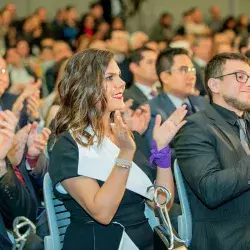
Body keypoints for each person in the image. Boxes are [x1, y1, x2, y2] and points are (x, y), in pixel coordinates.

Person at [49, 49, 187, 250]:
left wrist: (162, 150)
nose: (122, 84)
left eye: (119, 77)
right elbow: (102, 213)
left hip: (146, 241)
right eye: (110, 77)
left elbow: (162, 203)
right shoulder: (68, 146)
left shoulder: (126, 136)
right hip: (102, 242)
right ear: (86, 86)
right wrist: (124, 154)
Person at [174, 53, 250, 250]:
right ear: (215, 85)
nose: (248, 83)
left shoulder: (247, 122)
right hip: (229, 238)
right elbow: (210, 189)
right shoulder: (195, 128)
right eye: (241, 76)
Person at [144, 48, 208, 153]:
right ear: (165, 77)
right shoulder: (152, 111)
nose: (192, 76)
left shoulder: (204, 103)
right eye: (184, 70)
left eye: (192, 70)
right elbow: (158, 153)